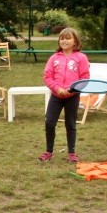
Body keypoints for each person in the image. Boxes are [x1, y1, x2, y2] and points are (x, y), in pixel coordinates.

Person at [39, 27, 90, 163]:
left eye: (68, 38)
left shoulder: (81, 58)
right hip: (56, 96)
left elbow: (84, 78)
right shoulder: (54, 58)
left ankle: (72, 153)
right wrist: (57, 89)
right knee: (49, 122)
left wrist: (71, 90)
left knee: (70, 124)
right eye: (62, 38)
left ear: (75, 41)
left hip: (72, 97)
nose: (64, 41)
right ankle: (49, 152)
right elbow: (47, 77)